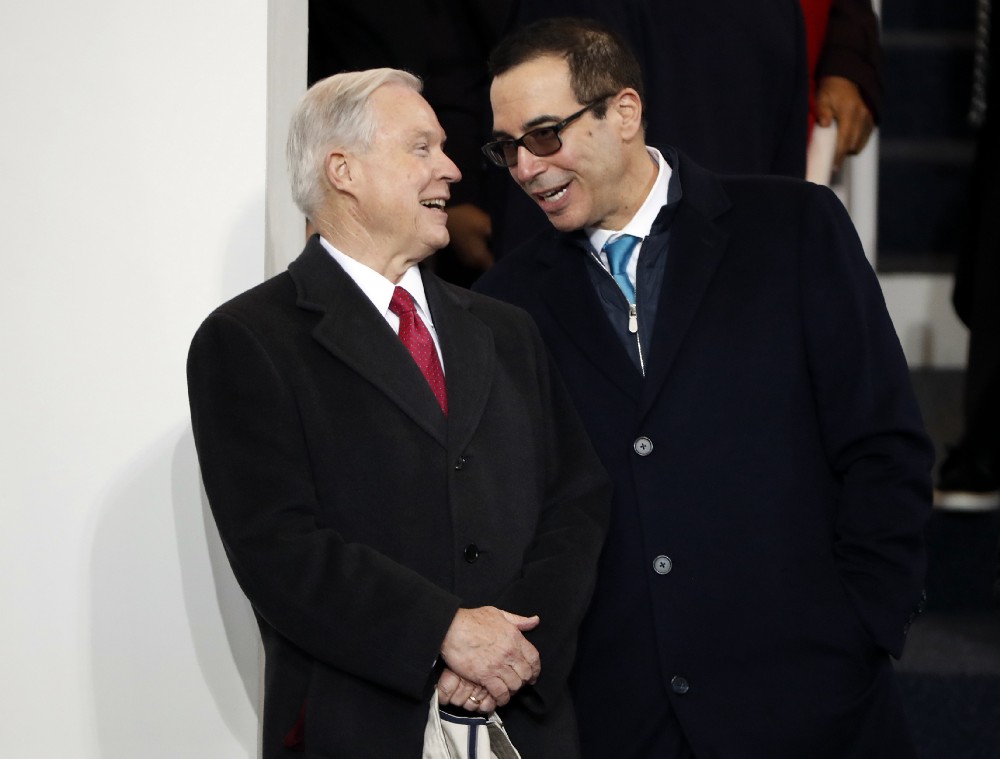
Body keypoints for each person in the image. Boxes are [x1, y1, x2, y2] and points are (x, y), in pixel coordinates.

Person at [473, 18, 934, 759]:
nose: (525, 168)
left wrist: (864, 628)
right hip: (623, 718)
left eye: (546, 135)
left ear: (623, 112)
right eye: (507, 148)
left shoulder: (794, 228)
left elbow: (885, 446)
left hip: (816, 703)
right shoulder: (506, 302)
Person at [186, 68, 610, 758]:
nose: (450, 169)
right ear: (343, 170)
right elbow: (280, 549)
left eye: (443, 148)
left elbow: (577, 501)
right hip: (358, 727)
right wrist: (443, 631)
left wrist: (513, 649)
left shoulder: (507, 329)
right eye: (421, 148)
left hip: (527, 723)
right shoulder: (248, 340)